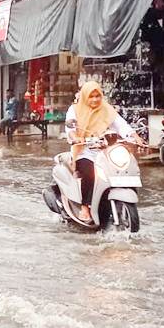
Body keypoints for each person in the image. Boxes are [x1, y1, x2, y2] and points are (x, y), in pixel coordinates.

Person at [66, 81, 146, 222]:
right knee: (90, 173)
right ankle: (85, 207)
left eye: (98, 96)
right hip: (84, 150)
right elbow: (70, 129)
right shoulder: (75, 109)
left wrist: (135, 137)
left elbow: (121, 125)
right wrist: (76, 138)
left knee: (125, 169)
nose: (95, 99)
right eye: (91, 96)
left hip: (106, 151)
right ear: (85, 97)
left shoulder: (106, 109)